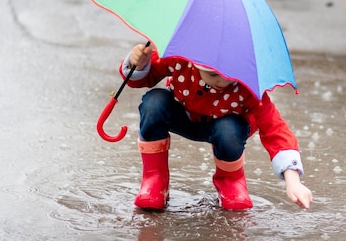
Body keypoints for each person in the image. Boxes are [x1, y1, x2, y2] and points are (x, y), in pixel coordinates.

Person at [122, 43, 313, 211]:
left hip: (225, 127)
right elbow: (141, 79)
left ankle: (230, 181)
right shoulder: (180, 59)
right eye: (213, 74)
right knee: (153, 103)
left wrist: (293, 181)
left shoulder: (248, 86)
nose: (223, 81)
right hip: (184, 115)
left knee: (229, 130)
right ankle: (155, 179)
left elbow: (275, 129)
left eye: (231, 74)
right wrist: (137, 64)